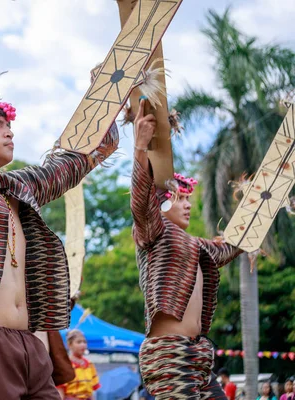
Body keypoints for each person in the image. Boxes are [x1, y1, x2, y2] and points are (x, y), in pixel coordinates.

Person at [0, 1, 119, 398]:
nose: (9, 132)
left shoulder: (19, 188)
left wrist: (108, 101)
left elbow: (75, 163)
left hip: (32, 343)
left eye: (9, 125)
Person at [130, 99, 242, 399]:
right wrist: (140, 147)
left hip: (200, 355)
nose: (188, 204)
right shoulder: (151, 230)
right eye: (180, 198)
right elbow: (141, 202)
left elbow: (231, 246)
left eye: (188, 199)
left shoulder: (197, 245)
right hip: (168, 353)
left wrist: (258, 209)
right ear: (162, 203)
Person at [57, 330, 100, 400]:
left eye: (84, 342)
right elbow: (60, 391)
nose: (83, 345)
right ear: (69, 345)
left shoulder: (89, 364)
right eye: (79, 342)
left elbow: (91, 391)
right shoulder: (65, 365)